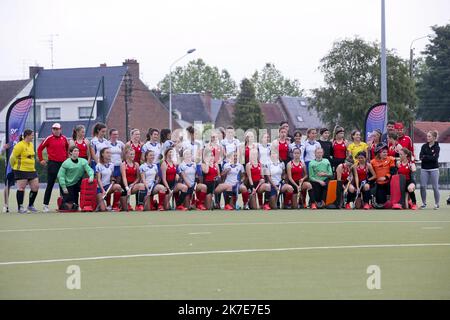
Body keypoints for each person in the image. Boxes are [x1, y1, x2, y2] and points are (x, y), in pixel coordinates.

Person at [38, 122, 69, 212]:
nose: (56, 131)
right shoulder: (48, 138)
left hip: (63, 164)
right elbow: (40, 149)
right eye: (54, 129)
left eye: (57, 129)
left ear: (60, 129)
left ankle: (63, 204)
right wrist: (41, 160)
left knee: (63, 184)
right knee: (50, 185)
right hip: (52, 164)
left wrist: (67, 160)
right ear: (52, 130)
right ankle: (45, 205)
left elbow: (67, 150)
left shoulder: (64, 138)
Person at [9, 129, 39, 213]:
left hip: (31, 170)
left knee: (35, 187)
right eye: (32, 135)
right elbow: (12, 158)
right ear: (27, 136)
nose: (33, 137)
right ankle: (20, 207)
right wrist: (13, 168)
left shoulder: (31, 145)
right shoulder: (19, 145)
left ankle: (30, 205)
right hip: (21, 170)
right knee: (21, 188)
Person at [57, 145, 94, 211]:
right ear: (70, 153)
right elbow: (60, 176)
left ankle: (85, 205)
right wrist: (64, 187)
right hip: (67, 184)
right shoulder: (66, 163)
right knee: (68, 207)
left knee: (75, 205)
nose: (77, 152)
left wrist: (91, 176)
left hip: (77, 183)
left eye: (78, 151)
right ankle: (61, 201)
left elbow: (89, 170)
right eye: (75, 151)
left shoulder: (83, 161)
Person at [95, 147, 122, 212]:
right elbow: (98, 180)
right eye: (107, 153)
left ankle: (114, 206)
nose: (109, 154)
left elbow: (111, 176)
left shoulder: (111, 165)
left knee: (118, 187)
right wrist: (103, 190)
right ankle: (99, 203)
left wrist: (112, 179)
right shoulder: (99, 165)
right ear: (102, 154)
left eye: (110, 153)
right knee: (103, 209)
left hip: (108, 186)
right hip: (99, 189)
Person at [120, 146, 146, 211]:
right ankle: (122, 204)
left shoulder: (136, 164)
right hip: (124, 186)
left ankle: (139, 205)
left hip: (133, 185)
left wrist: (133, 184)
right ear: (126, 155)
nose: (132, 156)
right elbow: (124, 177)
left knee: (141, 186)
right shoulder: (123, 164)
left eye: (133, 154)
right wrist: (127, 188)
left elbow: (138, 178)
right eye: (131, 154)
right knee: (125, 208)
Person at [419, 130, 440, 210]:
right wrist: (429, 157)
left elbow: (435, 158)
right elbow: (421, 157)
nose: (427, 138)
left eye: (429, 136)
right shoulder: (424, 146)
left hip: (434, 169)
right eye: (427, 136)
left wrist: (426, 157)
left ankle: (437, 204)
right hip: (424, 169)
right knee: (422, 186)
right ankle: (424, 203)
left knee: (435, 187)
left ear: (434, 138)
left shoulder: (437, 147)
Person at [2, 143, 15, 213]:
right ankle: (5, 205)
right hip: (9, 166)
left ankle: (20, 205)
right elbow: (1, 152)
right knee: (8, 185)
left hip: (20, 164)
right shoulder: (6, 137)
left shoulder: (21, 135)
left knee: (22, 184)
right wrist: (4, 148)